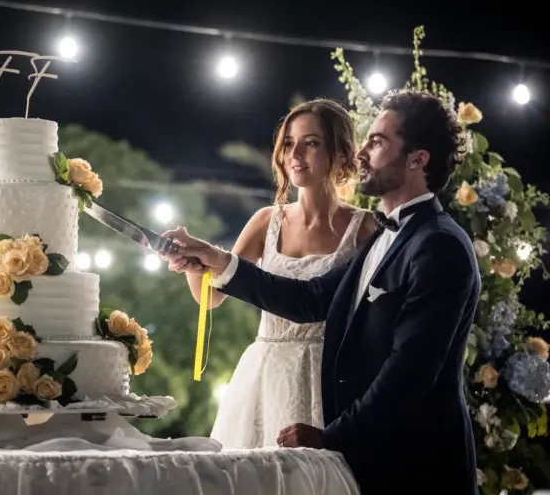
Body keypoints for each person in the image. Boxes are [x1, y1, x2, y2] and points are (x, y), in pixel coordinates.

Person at [161, 88, 479, 495]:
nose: (361, 152)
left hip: (417, 465)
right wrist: (217, 260)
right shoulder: (388, 235)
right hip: (374, 454)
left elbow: (410, 372)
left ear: (418, 159)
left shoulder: (439, 244)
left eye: (378, 142)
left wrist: (331, 436)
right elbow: (308, 299)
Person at [181, 99, 375, 448]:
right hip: (264, 373)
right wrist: (191, 265)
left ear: (338, 151)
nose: (295, 153)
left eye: (311, 142)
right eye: (289, 143)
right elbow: (210, 297)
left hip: (328, 377)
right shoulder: (266, 221)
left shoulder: (365, 228)